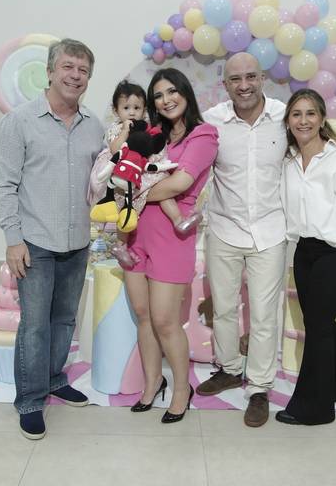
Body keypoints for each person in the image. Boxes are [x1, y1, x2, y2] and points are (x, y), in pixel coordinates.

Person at [91, 68, 218, 423]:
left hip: (171, 239)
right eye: (158, 95)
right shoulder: (150, 133)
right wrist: (128, 189)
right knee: (144, 316)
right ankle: (152, 383)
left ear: (186, 92)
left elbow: (179, 183)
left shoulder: (203, 135)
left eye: (172, 91)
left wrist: (132, 192)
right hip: (134, 235)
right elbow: (120, 166)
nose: (166, 100)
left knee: (165, 321)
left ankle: (181, 390)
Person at [0, 38, 104, 440]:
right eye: (68, 67)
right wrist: (13, 239)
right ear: (50, 71)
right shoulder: (20, 121)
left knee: (64, 320)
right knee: (35, 325)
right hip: (35, 242)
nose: (75, 76)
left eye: (83, 70)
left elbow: (99, 182)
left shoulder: (94, 125)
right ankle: (30, 399)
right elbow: (4, 185)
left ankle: (55, 378)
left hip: (78, 241)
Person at [198, 52, 288, 427]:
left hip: (271, 230)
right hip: (224, 228)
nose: (244, 85)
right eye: (236, 79)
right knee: (223, 308)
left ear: (262, 78)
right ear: (225, 84)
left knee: (264, 314)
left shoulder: (285, 117)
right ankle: (230, 368)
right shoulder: (211, 121)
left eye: (251, 76)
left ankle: (260, 388)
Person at [276, 88, 336, 426]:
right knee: (319, 323)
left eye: (310, 113)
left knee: (316, 328)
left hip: (335, 255)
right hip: (304, 253)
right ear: (288, 121)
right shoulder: (287, 162)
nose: (303, 121)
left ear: (321, 119)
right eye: (296, 114)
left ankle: (314, 407)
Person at [93, 80, 201, 268]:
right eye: (126, 108)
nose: (132, 112)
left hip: (143, 171)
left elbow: (152, 148)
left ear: (144, 110)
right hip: (124, 173)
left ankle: (178, 221)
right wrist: (125, 131)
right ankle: (120, 244)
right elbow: (115, 149)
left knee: (164, 189)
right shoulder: (116, 128)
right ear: (116, 110)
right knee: (125, 209)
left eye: (137, 108)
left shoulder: (147, 127)